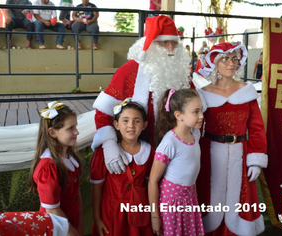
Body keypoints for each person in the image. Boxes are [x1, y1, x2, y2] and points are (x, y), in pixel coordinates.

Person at [91, 15, 191, 175]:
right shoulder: (129, 70)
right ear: (150, 43)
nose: (171, 48)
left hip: (176, 155)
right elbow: (103, 112)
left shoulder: (181, 74)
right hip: (137, 156)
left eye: (174, 42)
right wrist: (109, 143)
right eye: (164, 42)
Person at [196, 42, 268, 235]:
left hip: (242, 154)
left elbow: (256, 128)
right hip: (210, 155)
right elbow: (195, 128)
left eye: (235, 58)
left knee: (241, 199)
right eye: (226, 58)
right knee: (209, 197)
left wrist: (255, 160)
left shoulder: (247, 90)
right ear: (214, 62)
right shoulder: (203, 94)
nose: (231, 63)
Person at [90, 99, 154, 236]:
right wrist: (97, 218)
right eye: (125, 120)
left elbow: (151, 185)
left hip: (140, 213)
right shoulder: (103, 153)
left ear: (144, 125)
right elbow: (97, 188)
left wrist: (154, 215)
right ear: (116, 125)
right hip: (111, 214)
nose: (131, 125)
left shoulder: (150, 152)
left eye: (137, 121)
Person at [148, 89, 205, 236]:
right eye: (196, 112)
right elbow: (153, 181)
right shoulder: (169, 142)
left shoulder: (194, 136)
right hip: (172, 204)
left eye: (201, 111)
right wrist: (154, 216)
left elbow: (192, 177)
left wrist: (195, 202)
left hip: (189, 200)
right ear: (178, 115)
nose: (201, 116)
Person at [29, 101, 83, 236]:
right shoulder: (48, 168)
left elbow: (77, 194)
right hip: (56, 228)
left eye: (75, 126)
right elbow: (52, 209)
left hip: (70, 225)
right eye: (70, 128)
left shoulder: (71, 158)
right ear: (53, 132)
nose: (77, 131)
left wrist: (80, 226)